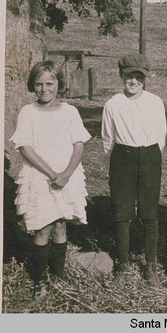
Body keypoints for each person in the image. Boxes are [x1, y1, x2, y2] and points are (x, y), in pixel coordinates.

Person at [11, 61, 91, 300]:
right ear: (32, 85)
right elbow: (25, 147)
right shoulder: (28, 112)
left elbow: (79, 144)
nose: (45, 89)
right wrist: (50, 173)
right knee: (42, 225)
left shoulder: (70, 111)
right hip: (40, 176)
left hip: (67, 176)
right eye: (39, 84)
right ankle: (39, 280)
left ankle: (58, 277)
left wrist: (66, 173)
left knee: (59, 225)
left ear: (59, 84)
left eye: (50, 83)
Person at [101, 53, 167, 286]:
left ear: (145, 79)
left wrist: (150, 155)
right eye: (130, 75)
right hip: (123, 157)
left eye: (139, 76)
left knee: (149, 213)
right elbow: (107, 136)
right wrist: (122, 156)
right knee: (122, 213)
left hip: (149, 155)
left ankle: (151, 265)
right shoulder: (112, 104)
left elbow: (161, 135)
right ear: (121, 76)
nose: (134, 81)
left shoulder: (155, 102)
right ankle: (123, 264)